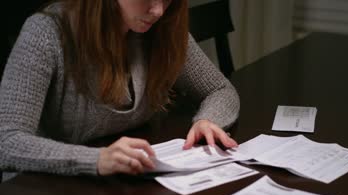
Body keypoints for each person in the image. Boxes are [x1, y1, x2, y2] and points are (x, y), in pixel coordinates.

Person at [0, 0, 240, 177]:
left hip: (128, 188)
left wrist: (209, 120)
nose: (158, 11)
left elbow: (220, 89)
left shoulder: (162, 28)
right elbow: (7, 141)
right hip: (45, 192)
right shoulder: (47, 32)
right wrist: (95, 160)